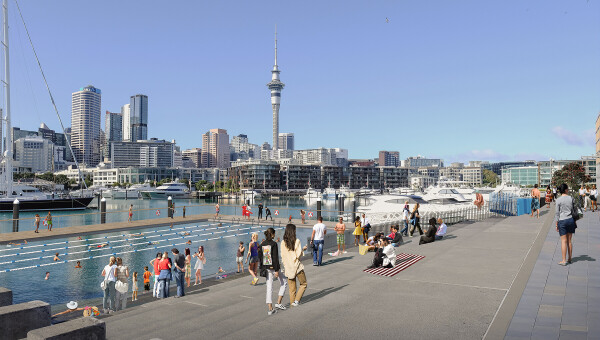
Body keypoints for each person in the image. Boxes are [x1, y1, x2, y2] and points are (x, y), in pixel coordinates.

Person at [259, 228, 287, 315]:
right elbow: (275, 258)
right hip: (274, 268)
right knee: (284, 282)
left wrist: (262, 267)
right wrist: (277, 270)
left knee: (269, 287)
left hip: (266, 268)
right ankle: (278, 303)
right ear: (272, 234)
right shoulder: (274, 244)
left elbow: (260, 257)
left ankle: (270, 309)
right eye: (274, 234)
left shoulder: (262, 244)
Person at [281, 224, 308, 307]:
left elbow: (282, 256)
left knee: (292, 290)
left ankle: (292, 306)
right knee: (303, 284)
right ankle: (296, 301)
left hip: (288, 267)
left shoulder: (283, 243)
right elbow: (298, 255)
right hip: (297, 267)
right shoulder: (297, 241)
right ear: (293, 231)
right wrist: (303, 249)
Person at [555, 183, 577, 266]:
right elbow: (574, 210)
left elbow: (557, 213)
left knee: (563, 241)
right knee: (569, 241)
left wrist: (556, 224)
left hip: (562, 221)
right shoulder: (571, 198)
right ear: (566, 190)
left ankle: (564, 260)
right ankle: (570, 258)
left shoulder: (558, 200)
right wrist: (574, 221)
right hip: (570, 220)